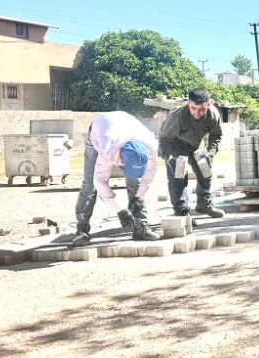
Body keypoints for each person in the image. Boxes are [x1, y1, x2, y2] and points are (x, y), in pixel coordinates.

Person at [72, 111, 160, 245]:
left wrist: (138, 196)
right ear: (122, 157)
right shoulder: (108, 149)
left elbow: (151, 173)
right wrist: (120, 210)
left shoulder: (151, 147)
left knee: (135, 183)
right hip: (100, 129)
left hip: (123, 125)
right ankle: (82, 230)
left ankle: (141, 226)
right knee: (89, 183)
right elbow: (100, 181)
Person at [158, 87, 224, 218]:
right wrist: (170, 158)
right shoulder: (177, 116)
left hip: (196, 146)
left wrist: (210, 152)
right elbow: (164, 139)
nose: (197, 113)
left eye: (202, 109)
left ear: (209, 104)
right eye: (194, 108)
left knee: (206, 171)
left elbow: (216, 135)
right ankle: (182, 212)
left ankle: (204, 204)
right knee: (179, 176)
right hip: (175, 146)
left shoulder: (213, 115)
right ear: (189, 103)